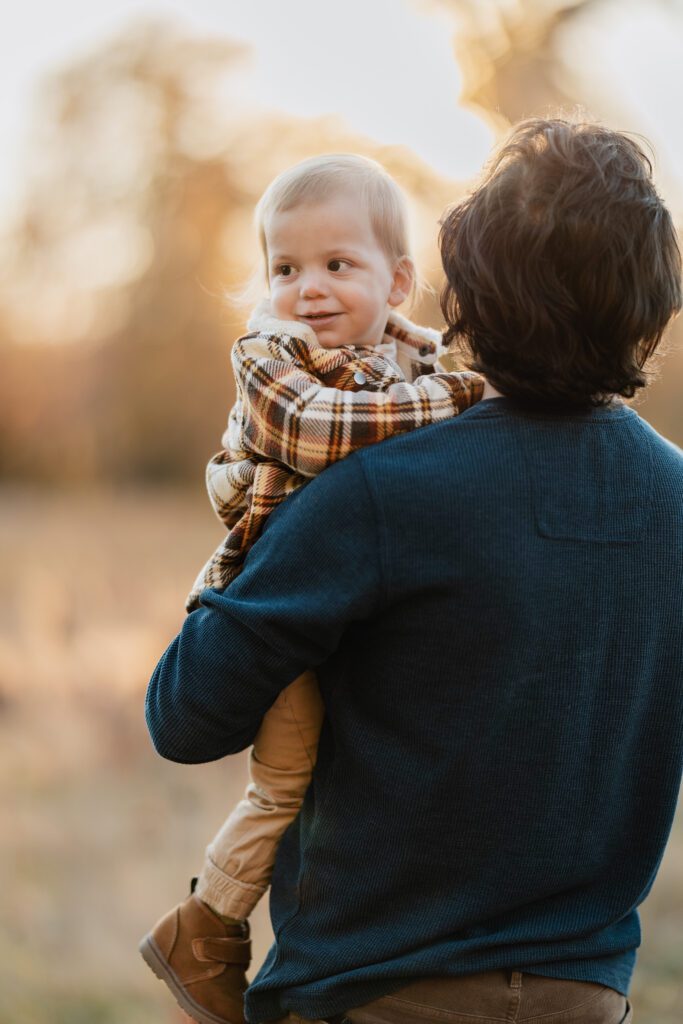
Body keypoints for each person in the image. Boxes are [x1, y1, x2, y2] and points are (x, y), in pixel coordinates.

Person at [145, 119, 683, 1024]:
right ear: (649, 305)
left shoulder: (378, 490)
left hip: (368, 992)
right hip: (585, 994)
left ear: (465, 292)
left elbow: (185, 715)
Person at [139, 153, 482, 1024]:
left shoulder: (419, 359)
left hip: (367, 620)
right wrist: (461, 399)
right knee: (284, 781)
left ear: (398, 280)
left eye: (339, 265)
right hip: (276, 609)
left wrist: (457, 384)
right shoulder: (268, 354)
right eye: (285, 268)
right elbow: (317, 434)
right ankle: (207, 927)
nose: (309, 290)